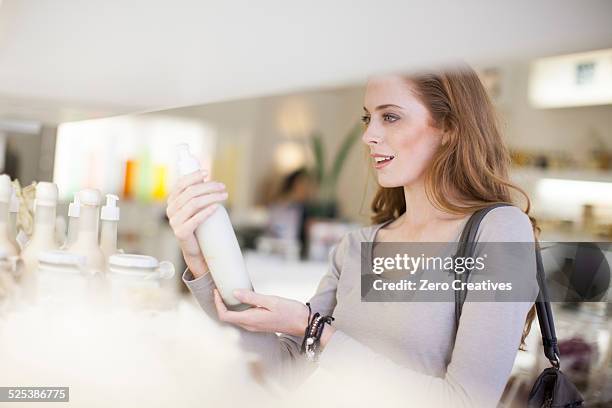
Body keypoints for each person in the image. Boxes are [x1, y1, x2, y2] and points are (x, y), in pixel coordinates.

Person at [166, 66, 539, 407]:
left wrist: (314, 330)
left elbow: (467, 402)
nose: (369, 135)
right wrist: (200, 259)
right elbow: (281, 371)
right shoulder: (358, 246)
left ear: (450, 127)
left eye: (390, 116)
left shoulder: (499, 229)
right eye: (368, 118)